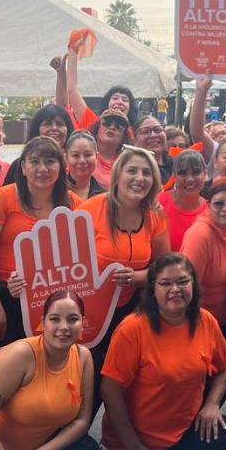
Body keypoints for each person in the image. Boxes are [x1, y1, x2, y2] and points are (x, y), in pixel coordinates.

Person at [101, 254, 226, 450]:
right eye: (165, 283)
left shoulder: (205, 320)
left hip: (186, 432)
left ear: (193, 284)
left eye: (183, 281)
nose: (175, 289)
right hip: (139, 442)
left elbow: (225, 368)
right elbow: (110, 391)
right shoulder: (132, 330)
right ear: (153, 289)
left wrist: (212, 404)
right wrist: (132, 444)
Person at [76, 147, 170, 412]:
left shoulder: (155, 216)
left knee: (124, 382)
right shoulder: (92, 208)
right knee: (87, 382)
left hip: (130, 311)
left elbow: (165, 268)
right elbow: (67, 260)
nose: (139, 177)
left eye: (146, 172)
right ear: (117, 176)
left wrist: (137, 278)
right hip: (88, 312)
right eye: (132, 171)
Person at [0, 291, 98, 450]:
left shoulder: (83, 357)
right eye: (54, 319)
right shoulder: (20, 355)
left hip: (36, 446)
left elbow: (82, 421)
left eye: (73, 319)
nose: (64, 327)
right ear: (43, 322)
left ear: (83, 323)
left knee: (88, 447)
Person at [0, 137, 79, 361]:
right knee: (1, 366)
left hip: (51, 301)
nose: (42, 169)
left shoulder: (73, 203)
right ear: (23, 167)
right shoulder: (4, 197)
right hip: (4, 297)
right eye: (35, 161)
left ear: (62, 166)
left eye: (50, 161)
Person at [180, 177, 226, 427]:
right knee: (207, 378)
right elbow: (186, 287)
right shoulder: (200, 235)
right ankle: (198, 423)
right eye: (219, 204)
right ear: (208, 204)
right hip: (201, 318)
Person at [66, 32, 138, 127]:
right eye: (115, 98)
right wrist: (73, 50)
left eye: (125, 100)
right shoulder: (94, 124)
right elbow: (72, 91)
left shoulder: (138, 133)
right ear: (106, 104)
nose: (119, 102)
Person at [159, 150, 207, 250]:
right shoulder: (159, 202)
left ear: (205, 174)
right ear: (174, 176)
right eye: (183, 173)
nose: (190, 179)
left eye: (196, 172)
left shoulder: (211, 211)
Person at [89, 109, 132, 188]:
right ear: (97, 129)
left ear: (124, 135)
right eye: (107, 123)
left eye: (119, 126)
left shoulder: (128, 162)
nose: (112, 127)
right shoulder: (82, 155)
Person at [65, 131, 106, 201]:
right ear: (66, 158)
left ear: (96, 156)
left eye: (87, 155)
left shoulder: (105, 197)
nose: (82, 161)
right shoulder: (56, 190)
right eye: (76, 155)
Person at [134, 115, 173, 184]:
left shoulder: (176, 164)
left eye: (157, 130)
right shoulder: (133, 169)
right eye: (145, 131)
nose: (153, 135)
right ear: (135, 141)